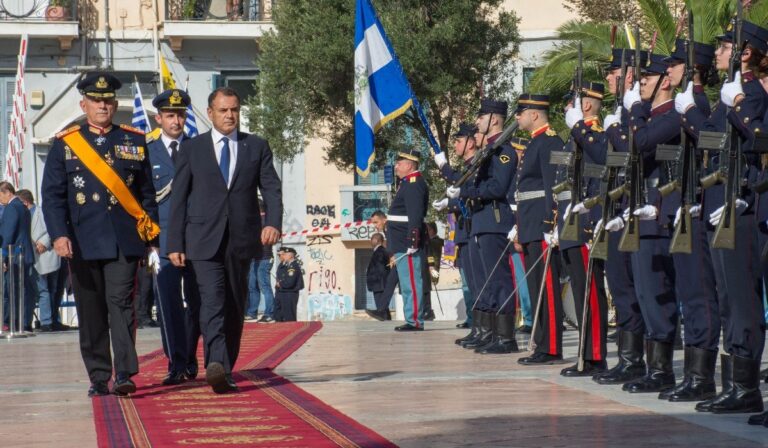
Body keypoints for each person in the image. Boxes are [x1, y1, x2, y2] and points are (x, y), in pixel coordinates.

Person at [42, 72, 160, 397]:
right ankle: (98, 376)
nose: (103, 106)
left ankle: (124, 373)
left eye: (108, 101)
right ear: (84, 103)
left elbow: (146, 195)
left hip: (124, 241)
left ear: (115, 103)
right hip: (81, 242)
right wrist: (58, 235)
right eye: (96, 100)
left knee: (121, 304)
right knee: (91, 310)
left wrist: (150, 236)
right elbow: (52, 197)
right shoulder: (65, 144)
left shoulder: (134, 141)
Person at [167, 86, 282, 394]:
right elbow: (178, 198)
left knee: (234, 304)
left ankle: (225, 368)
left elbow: (271, 188)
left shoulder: (255, 146)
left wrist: (272, 222)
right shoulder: (192, 149)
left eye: (234, 110)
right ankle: (215, 363)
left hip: (241, 240)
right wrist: (174, 242)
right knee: (212, 300)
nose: (230, 115)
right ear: (210, 113)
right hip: (202, 240)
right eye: (223, 110)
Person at [446, 99, 517, 354]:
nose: (478, 122)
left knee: (498, 281)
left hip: (494, 220)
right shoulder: (488, 151)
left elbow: (498, 187)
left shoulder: (503, 150)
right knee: (485, 282)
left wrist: (467, 190)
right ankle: (490, 333)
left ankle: (506, 337)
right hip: (480, 221)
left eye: (482, 116)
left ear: (495, 119)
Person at [147, 88, 202, 385]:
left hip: (196, 240)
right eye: (170, 115)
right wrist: (149, 242)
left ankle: (190, 356)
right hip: (163, 241)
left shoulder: (198, 148)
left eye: (180, 115)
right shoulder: (147, 150)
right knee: (168, 304)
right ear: (159, 118)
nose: (176, 121)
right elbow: (144, 200)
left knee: (197, 304)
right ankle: (176, 362)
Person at [557, 81, 610, 377]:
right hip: (569, 221)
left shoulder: (593, 135)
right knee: (579, 290)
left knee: (589, 289)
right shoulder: (576, 137)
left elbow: (596, 177)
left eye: (571, 102)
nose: (566, 108)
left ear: (586, 105)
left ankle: (594, 355)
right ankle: (584, 353)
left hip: (585, 221)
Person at [512, 94, 564, 365]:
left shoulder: (550, 142)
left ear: (534, 114)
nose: (517, 117)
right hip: (530, 224)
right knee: (536, 288)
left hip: (542, 225)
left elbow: (553, 187)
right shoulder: (535, 143)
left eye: (521, 112)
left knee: (547, 288)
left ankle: (552, 346)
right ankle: (542, 343)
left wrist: (551, 223)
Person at [433, 123, 477, 331]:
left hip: (473, 230)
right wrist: (449, 204)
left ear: (470, 142)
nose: (456, 145)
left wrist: (444, 167)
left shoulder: (476, 164)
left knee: (475, 282)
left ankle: (481, 323)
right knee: (468, 282)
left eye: (459, 141)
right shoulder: (469, 166)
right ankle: (474, 320)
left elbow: (466, 188)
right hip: (464, 231)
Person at [389, 148, 428, 331]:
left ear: (410, 164)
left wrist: (413, 241)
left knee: (411, 282)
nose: (396, 166)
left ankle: (415, 320)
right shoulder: (406, 183)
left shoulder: (413, 183)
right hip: (400, 241)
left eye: (399, 163)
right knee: (406, 282)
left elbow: (415, 215)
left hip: (406, 243)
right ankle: (412, 318)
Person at [18, 189, 65, 332]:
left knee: (51, 289)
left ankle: (49, 321)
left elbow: (52, 228)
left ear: (25, 202)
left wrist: (44, 242)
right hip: (33, 258)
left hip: (47, 254)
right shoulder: (23, 214)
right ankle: (47, 321)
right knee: (42, 289)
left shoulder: (41, 212)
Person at [0, 183, 35, 332]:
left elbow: (8, 234)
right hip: (25, 252)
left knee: (11, 290)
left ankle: (11, 322)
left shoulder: (11, 208)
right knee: (25, 289)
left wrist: (4, 257)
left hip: (14, 254)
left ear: (7, 192)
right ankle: (25, 322)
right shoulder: (23, 207)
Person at [370, 210, 398, 316]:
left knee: (392, 285)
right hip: (398, 259)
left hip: (401, 258)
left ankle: (381, 310)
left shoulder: (389, 226)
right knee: (390, 284)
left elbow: (393, 243)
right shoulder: (387, 228)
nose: (375, 226)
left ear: (383, 219)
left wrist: (392, 255)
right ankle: (381, 310)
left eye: (376, 222)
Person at [246, 242, 275, 323]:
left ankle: (269, 314)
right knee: (252, 286)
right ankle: (252, 313)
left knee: (265, 287)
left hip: (265, 258)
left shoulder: (263, 229)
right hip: (254, 259)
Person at [366, 233, 391, 321]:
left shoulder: (380, 251)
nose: (370, 241)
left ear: (376, 240)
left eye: (372, 239)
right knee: (383, 306)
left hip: (379, 284)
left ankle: (385, 318)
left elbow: (380, 269)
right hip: (379, 283)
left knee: (380, 306)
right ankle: (387, 319)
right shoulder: (381, 251)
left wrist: (378, 282)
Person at [274, 247, 304, 321]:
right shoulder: (286, 265)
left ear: (291, 255)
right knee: (279, 315)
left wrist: (280, 284)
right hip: (283, 292)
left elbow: (290, 282)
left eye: (285, 254)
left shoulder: (293, 266)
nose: (284, 256)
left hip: (289, 293)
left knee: (289, 316)